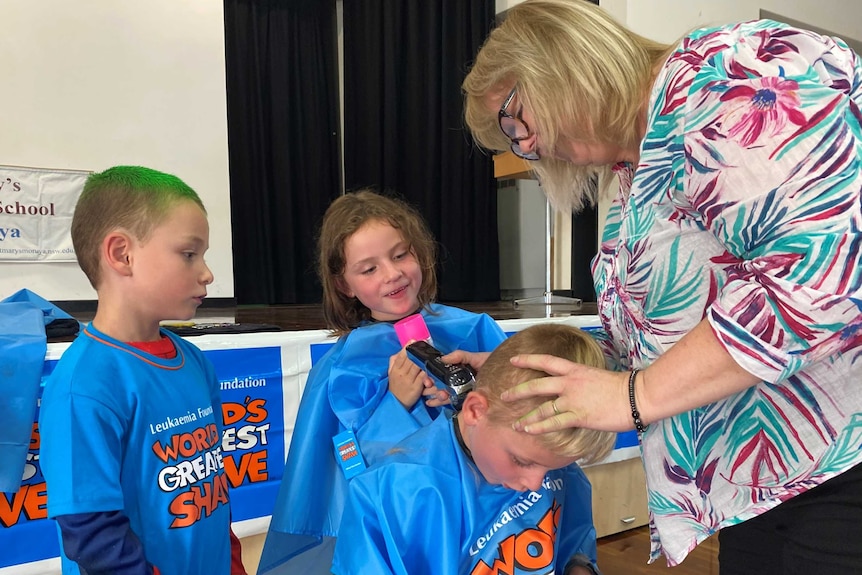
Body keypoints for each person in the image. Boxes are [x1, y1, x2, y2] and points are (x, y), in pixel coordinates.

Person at [462, 1, 862, 572]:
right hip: (759, 480)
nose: (528, 147)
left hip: (842, 461)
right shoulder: (634, 172)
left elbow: (820, 270)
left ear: (557, 63)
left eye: (514, 120)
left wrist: (636, 397)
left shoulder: (728, 76)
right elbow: (663, 335)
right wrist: (522, 370)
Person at [257, 190, 508, 574]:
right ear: (344, 284)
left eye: (400, 255)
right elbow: (349, 463)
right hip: (411, 525)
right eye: (368, 269)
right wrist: (395, 404)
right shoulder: (341, 367)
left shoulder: (474, 330)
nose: (392, 275)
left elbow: (520, 408)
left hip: (492, 511)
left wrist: (470, 392)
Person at [39, 166, 246, 575]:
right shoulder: (84, 385)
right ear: (122, 254)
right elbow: (92, 533)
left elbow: (213, 493)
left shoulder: (194, 361)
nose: (207, 273)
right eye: (189, 254)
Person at [330, 323, 616, 575]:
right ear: (476, 411)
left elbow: (575, 542)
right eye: (521, 461)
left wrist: (579, 566)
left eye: (551, 469)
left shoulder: (551, 456)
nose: (534, 484)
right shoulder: (391, 494)